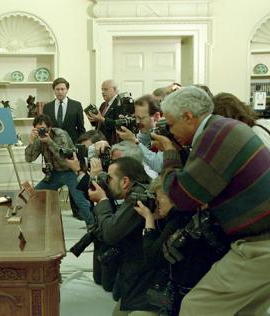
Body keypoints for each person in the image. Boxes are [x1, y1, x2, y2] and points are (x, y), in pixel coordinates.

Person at [152, 86, 270, 315]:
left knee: (197, 307)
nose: (170, 131)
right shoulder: (225, 128)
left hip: (260, 245)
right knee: (244, 310)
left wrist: (169, 153)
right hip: (261, 241)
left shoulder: (216, 135)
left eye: (171, 124)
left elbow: (183, 197)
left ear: (188, 117)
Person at [134, 177, 227, 315]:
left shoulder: (179, 219)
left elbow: (152, 258)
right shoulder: (189, 216)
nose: (156, 203)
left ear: (173, 197)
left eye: (158, 198)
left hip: (190, 297)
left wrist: (149, 219)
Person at [88, 157, 158, 315]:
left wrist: (103, 200)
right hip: (136, 274)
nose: (107, 182)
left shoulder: (139, 196)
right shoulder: (139, 190)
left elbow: (110, 233)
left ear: (125, 181)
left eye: (110, 178)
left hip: (145, 281)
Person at [25, 114, 94, 227]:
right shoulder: (38, 138)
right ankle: (41, 223)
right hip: (54, 174)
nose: (42, 131)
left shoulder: (60, 134)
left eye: (44, 129)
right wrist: (31, 142)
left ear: (50, 127)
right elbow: (29, 158)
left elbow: (65, 157)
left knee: (80, 200)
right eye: (38, 129)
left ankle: (93, 226)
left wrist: (49, 141)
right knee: (35, 194)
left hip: (70, 170)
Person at [116, 95, 164, 173]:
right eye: (136, 117)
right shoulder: (150, 129)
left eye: (141, 118)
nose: (137, 122)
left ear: (156, 116)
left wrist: (134, 141)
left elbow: (158, 165)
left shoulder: (166, 131)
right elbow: (142, 142)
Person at [42, 77, 85, 144]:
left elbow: (81, 129)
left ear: (67, 90)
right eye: (57, 89)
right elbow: (45, 128)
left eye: (62, 89)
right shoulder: (47, 107)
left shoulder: (77, 105)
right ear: (54, 90)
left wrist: (81, 146)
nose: (60, 92)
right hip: (52, 144)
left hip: (72, 144)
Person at [87, 80, 127, 145]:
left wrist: (101, 119)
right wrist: (93, 119)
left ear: (115, 90)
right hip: (100, 141)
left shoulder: (120, 104)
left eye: (106, 89)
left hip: (113, 143)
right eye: (102, 90)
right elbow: (99, 124)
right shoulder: (103, 105)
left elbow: (119, 125)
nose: (103, 92)